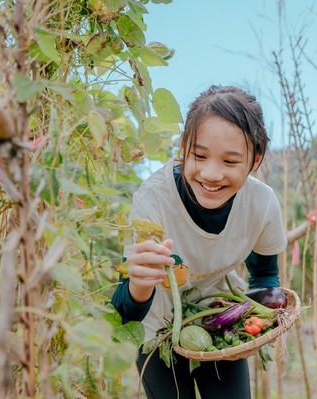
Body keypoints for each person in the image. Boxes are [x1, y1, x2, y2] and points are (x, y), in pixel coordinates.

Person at [111, 85, 287, 399]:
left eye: (230, 162)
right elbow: (127, 311)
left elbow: (264, 277)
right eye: (199, 155)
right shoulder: (154, 202)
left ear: (255, 160)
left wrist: (260, 319)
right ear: (183, 147)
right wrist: (139, 284)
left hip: (219, 322)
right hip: (157, 331)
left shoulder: (261, 203)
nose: (211, 174)